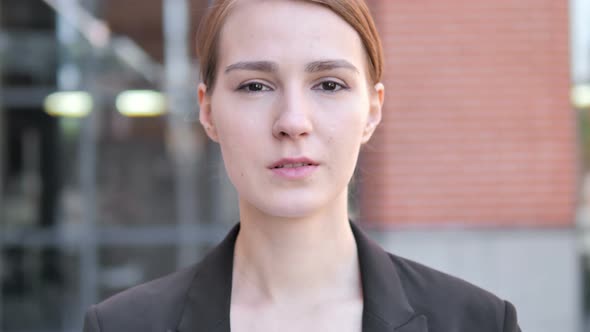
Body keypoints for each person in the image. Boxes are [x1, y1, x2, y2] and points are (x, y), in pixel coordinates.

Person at [83, 0, 521, 331]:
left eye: (329, 84)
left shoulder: (477, 322)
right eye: (255, 86)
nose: (292, 122)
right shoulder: (122, 325)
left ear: (372, 110)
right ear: (209, 111)